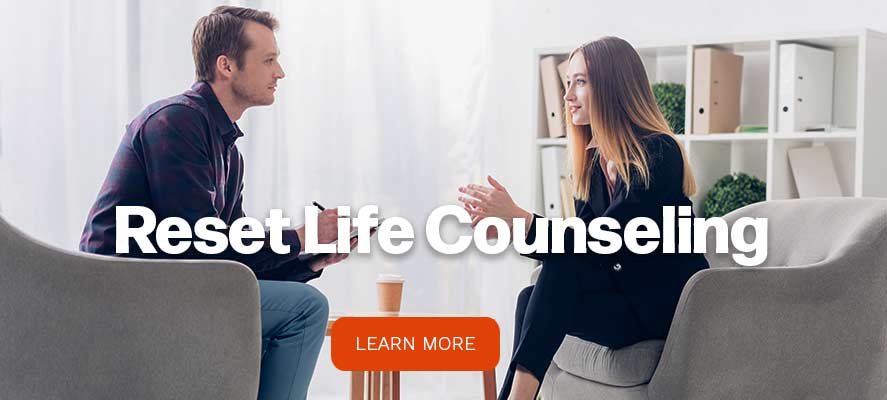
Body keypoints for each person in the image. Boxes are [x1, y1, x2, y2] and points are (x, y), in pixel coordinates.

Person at [79, 6, 350, 400]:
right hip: (127, 293)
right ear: (226, 65)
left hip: (176, 285)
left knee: (290, 307)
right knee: (305, 310)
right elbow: (197, 245)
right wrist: (301, 236)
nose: (280, 73)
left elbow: (231, 261)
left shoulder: (227, 150)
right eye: (269, 60)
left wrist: (309, 259)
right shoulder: (176, 123)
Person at [457, 36, 710, 400]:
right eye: (567, 83)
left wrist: (522, 220)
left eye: (580, 82)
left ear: (612, 86)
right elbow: (582, 247)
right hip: (623, 297)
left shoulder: (658, 151)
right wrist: (514, 227)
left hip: (661, 308)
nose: (567, 95)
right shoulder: (594, 163)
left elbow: (606, 239)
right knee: (529, 296)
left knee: (558, 267)